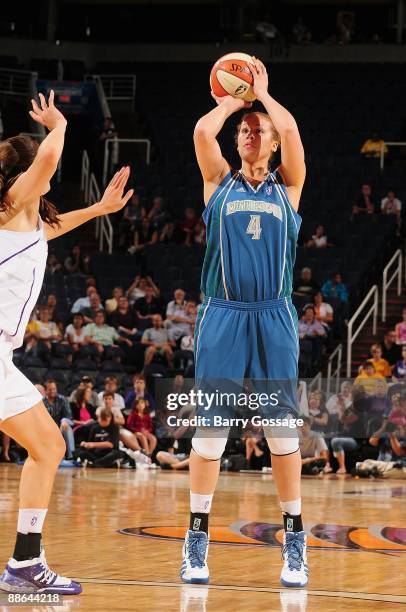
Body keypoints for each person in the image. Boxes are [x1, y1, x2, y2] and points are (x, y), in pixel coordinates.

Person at [180, 57, 308, 587]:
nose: (251, 133)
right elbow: (200, 130)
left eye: (260, 131)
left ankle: (295, 539)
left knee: (281, 435)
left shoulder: (290, 187)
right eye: (245, 131)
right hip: (222, 315)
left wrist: (265, 97)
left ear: (274, 143)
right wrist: (235, 100)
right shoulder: (218, 183)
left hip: (274, 316)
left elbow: (293, 128)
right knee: (210, 436)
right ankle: (196, 538)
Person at [0, 90, 133, 594]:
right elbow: (52, 153)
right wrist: (57, 123)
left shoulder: (27, 220)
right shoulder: (10, 204)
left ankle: (25, 564)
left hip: (2, 356)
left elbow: (55, 228)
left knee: (50, 446)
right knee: (48, 447)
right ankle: (24, 565)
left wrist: (99, 207)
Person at [43, 380, 75, 461]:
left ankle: (71, 456)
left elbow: (68, 415)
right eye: (50, 389)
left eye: (54, 389)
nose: (53, 391)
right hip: (46, 427)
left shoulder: (62, 399)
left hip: (61, 426)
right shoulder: (41, 402)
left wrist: (64, 420)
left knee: (66, 428)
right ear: (46, 390)